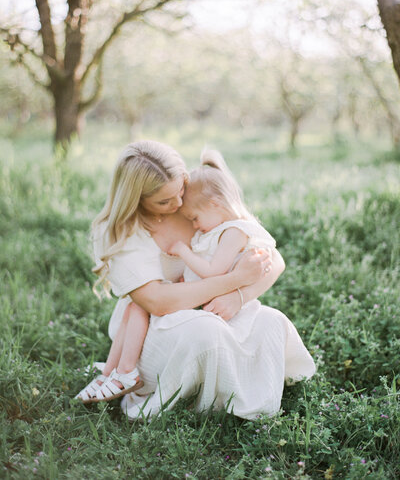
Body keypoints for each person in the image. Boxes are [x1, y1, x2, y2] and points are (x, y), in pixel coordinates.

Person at [76, 140, 315, 420]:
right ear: (136, 199)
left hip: (211, 306)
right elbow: (158, 302)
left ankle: (240, 394)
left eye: (179, 192)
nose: (178, 204)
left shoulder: (194, 198)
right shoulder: (118, 231)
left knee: (270, 320)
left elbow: (272, 259)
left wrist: (239, 296)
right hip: (150, 327)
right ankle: (175, 393)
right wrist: (235, 280)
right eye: (164, 201)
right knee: (205, 330)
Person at [169, 149, 277, 288]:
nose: (194, 226)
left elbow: (213, 272)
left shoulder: (235, 232)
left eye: (195, 218)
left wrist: (183, 251)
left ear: (215, 204)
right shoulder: (219, 231)